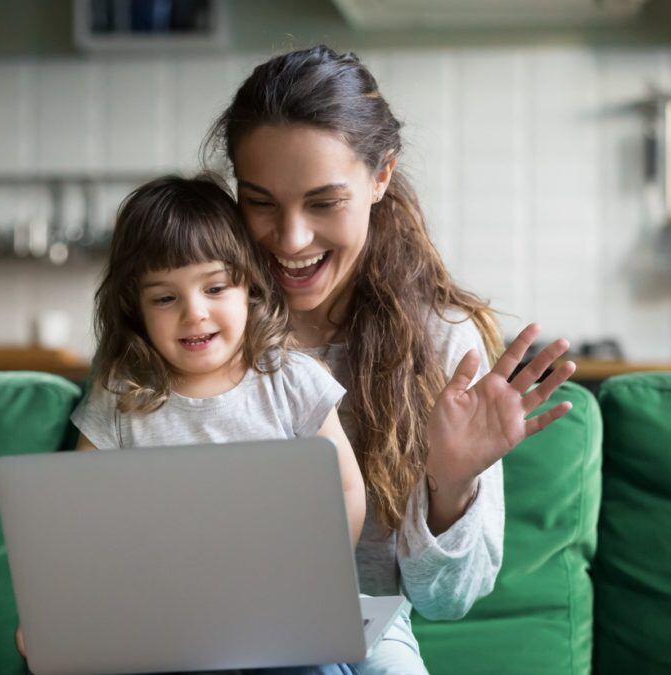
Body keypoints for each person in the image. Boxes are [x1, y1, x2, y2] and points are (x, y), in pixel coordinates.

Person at [201, 45, 577, 673]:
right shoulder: (196, 326)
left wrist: (449, 482)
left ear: (380, 177)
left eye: (324, 202)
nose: (291, 239)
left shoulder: (441, 344)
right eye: (261, 201)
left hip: (359, 644)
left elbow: (448, 602)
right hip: (206, 637)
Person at [16, 174, 367, 674]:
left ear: (248, 286)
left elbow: (349, 490)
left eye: (216, 287)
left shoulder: (290, 379)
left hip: (279, 616)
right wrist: (58, 614)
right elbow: (83, 519)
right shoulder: (122, 396)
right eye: (164, 298)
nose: (194, 313)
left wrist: (316, 579)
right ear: (135, 310)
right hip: (164, 621)